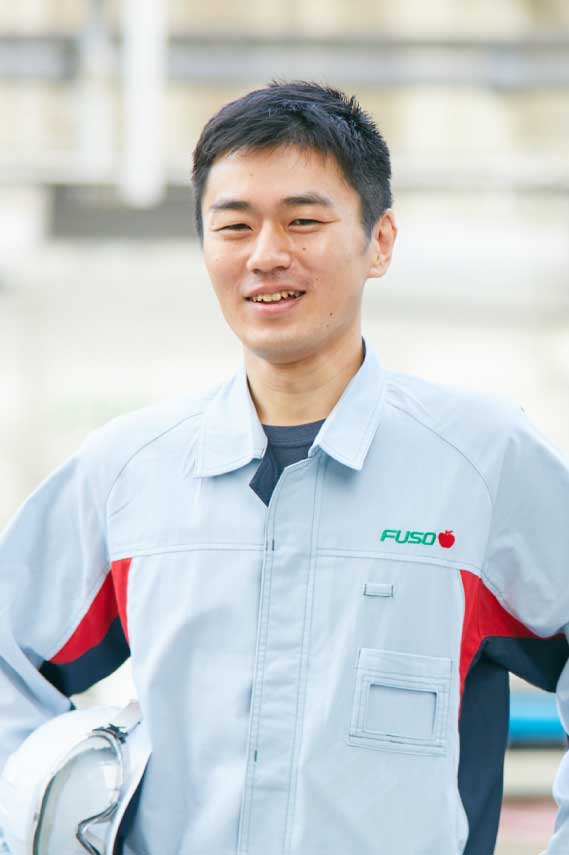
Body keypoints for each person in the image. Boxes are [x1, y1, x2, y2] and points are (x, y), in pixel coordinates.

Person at [1, 80, 568, 855]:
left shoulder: (480, 463)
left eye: (303, 221)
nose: (266, 255)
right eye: (233, 225)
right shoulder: (129, 474)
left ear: (379, 241)